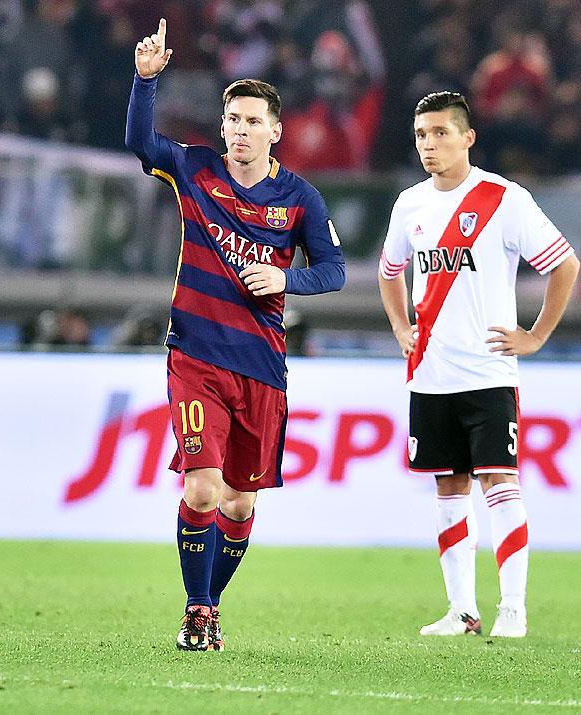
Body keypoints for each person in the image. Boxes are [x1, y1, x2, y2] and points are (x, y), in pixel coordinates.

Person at [125, 18, 345, 651]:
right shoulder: (193, 170)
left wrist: (283, 278)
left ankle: (209, 603)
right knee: (201, 485)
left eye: (254, 121)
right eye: (233, 120)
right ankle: (197, 610)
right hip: (194, 355)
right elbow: (141, 142)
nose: (241, 130)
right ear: (222, 126)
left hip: (261, 366)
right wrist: (146, 80)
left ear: (275, 131)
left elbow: (331, 271)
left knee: (242, 506)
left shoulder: (300, 198)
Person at [378, 91, 579, 638]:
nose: (429, 145)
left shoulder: (503, 198)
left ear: (468, 137)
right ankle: (461, 611)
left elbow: (564, 265)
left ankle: (513, 608)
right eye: (421, 135)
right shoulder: (409, 204)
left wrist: (535, 336)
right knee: (448, 486)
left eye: (441, 133)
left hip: (489, 372)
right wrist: (401, 328)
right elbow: (389, 270)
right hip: (430, 374)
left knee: (499, 480)